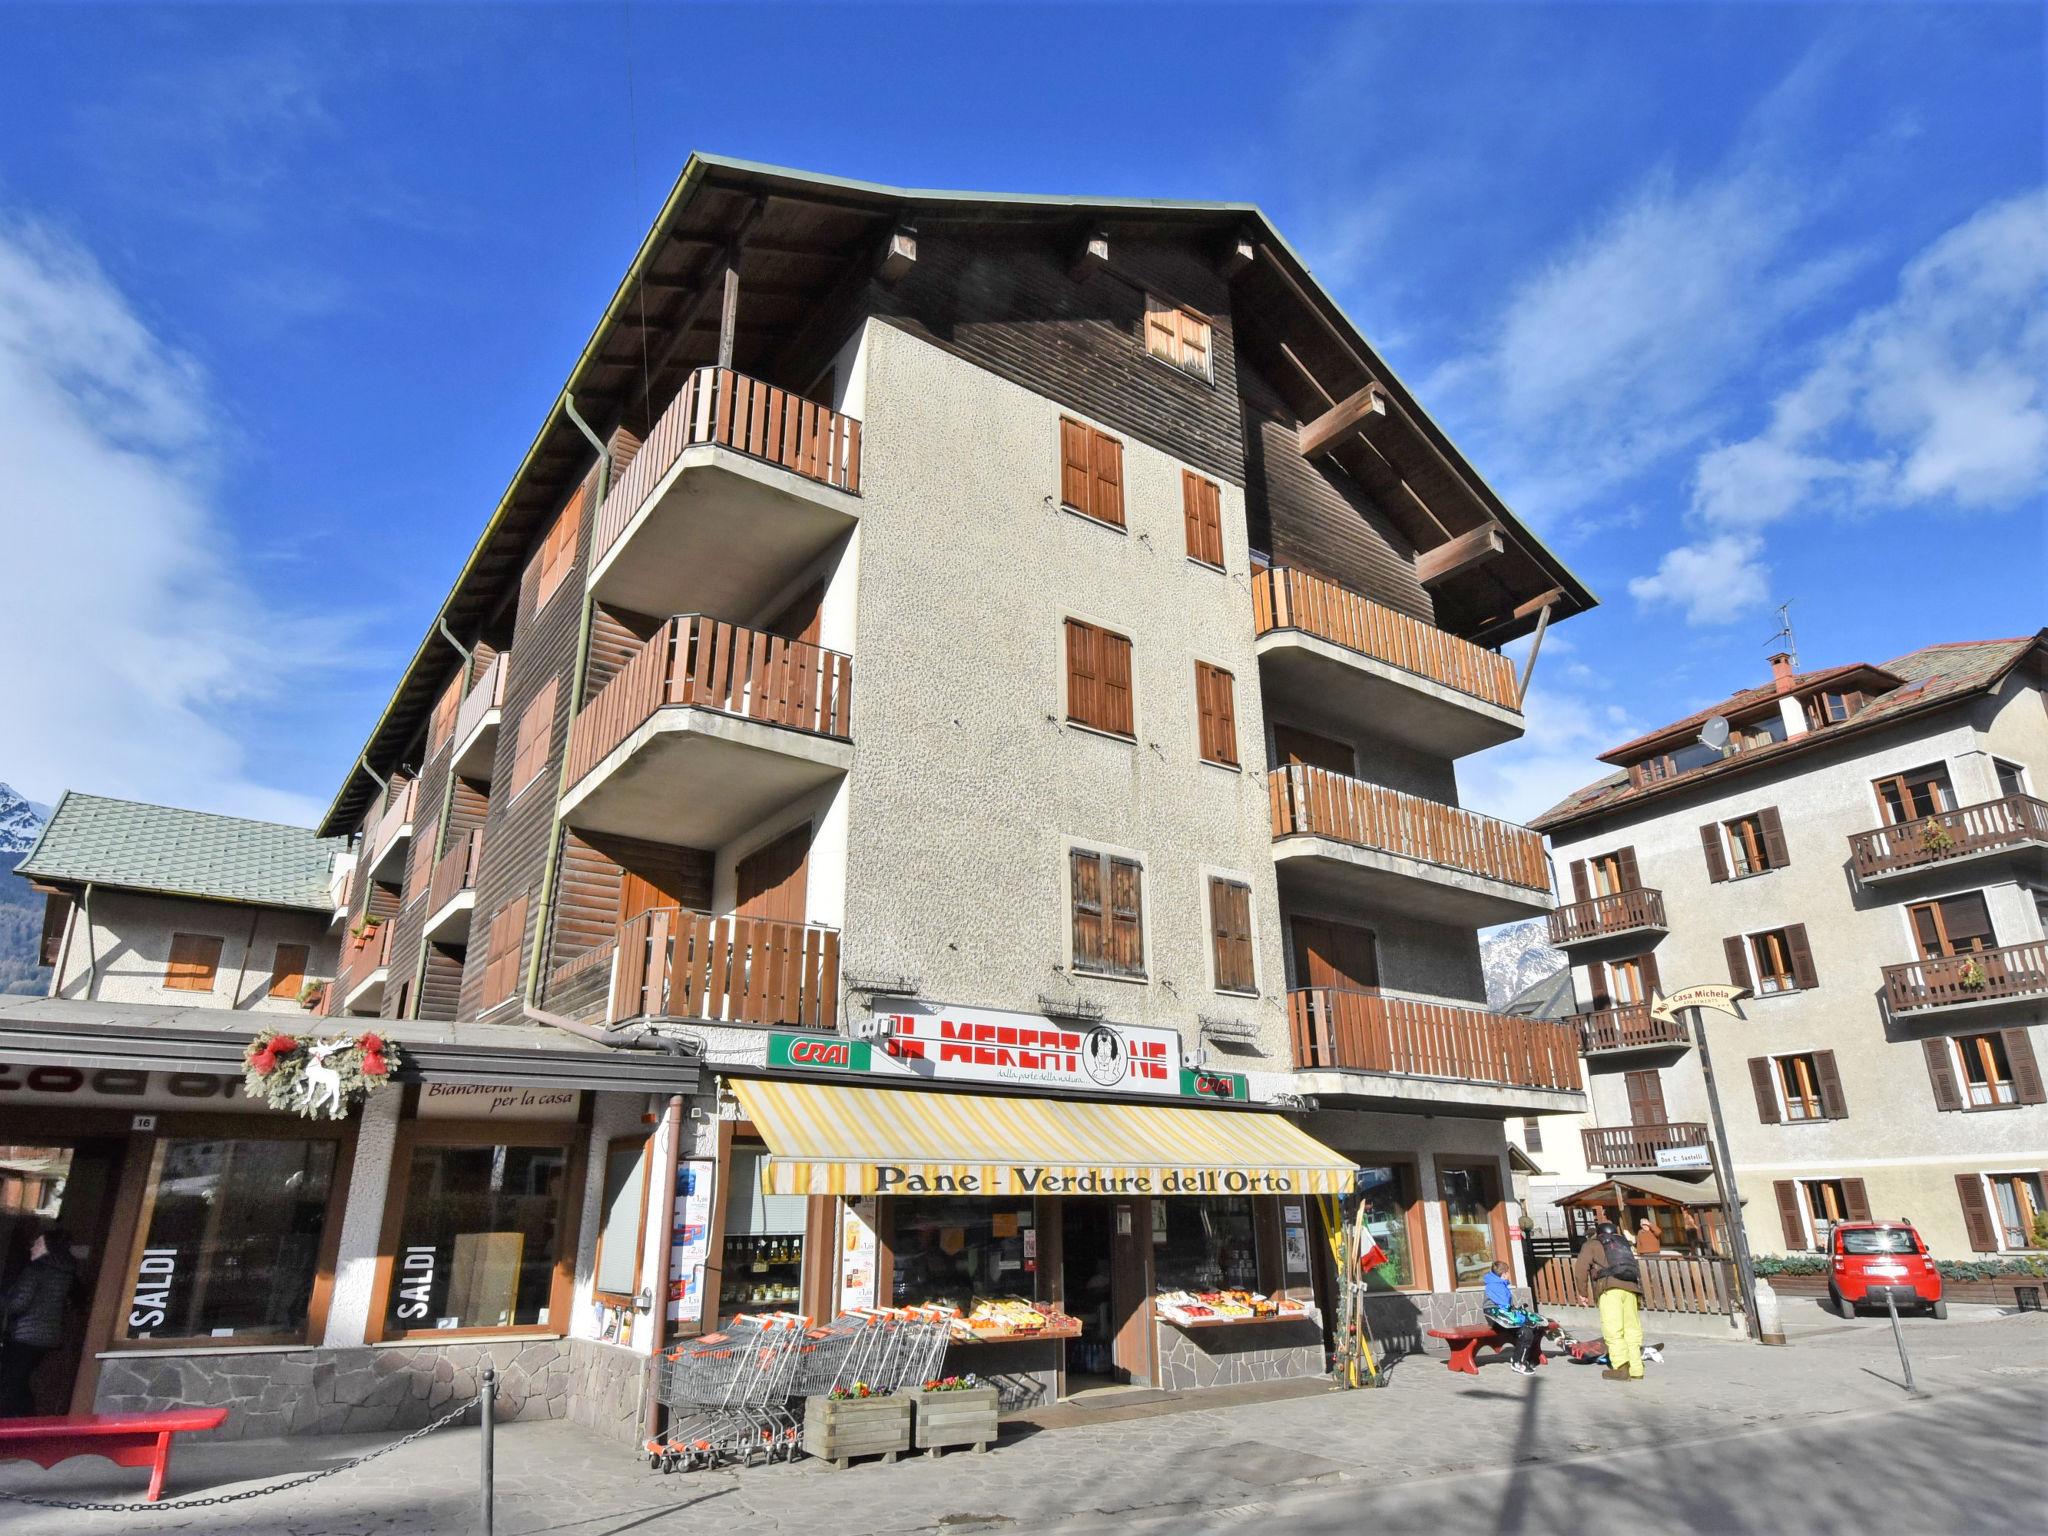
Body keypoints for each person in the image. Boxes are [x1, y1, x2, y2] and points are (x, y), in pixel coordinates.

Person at [1, 1227, 77, 1417]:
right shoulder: (66, 1272)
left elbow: (19, 1303)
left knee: (11, 1381)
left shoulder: (36, 1270)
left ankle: (20, 1422)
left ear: (48, 1247)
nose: (33, 1247)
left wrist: (4, 1301)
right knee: (20, 1379)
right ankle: (27, 1419)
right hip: (49, 1337)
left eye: (38, 1243)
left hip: (25, 1334)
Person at [1574, 1218, 1644, 1382]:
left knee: (1613, 1330)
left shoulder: (1593, 1244)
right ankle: (1636, 1368)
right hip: (1631, 1289)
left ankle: (1621, 1367)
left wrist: (1582, 1292)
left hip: (1609, 1289)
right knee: (1632, 1330)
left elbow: (1581, 1268)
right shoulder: (1623, 1244)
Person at [1482, 1260, 1545, 1376]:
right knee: (1525, 1332)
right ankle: (1518, 1363)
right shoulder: (1495, 1286)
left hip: (1504, 1318)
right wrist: (1522, 1317)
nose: (1508, 1275)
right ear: (1503, 1274)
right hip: (1497, 1320)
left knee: (1532, 1328)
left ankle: (1521, 1357)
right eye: (1507, 1272)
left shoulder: (1499, 1283)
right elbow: (1504, 1307)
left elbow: (1508, 1308)